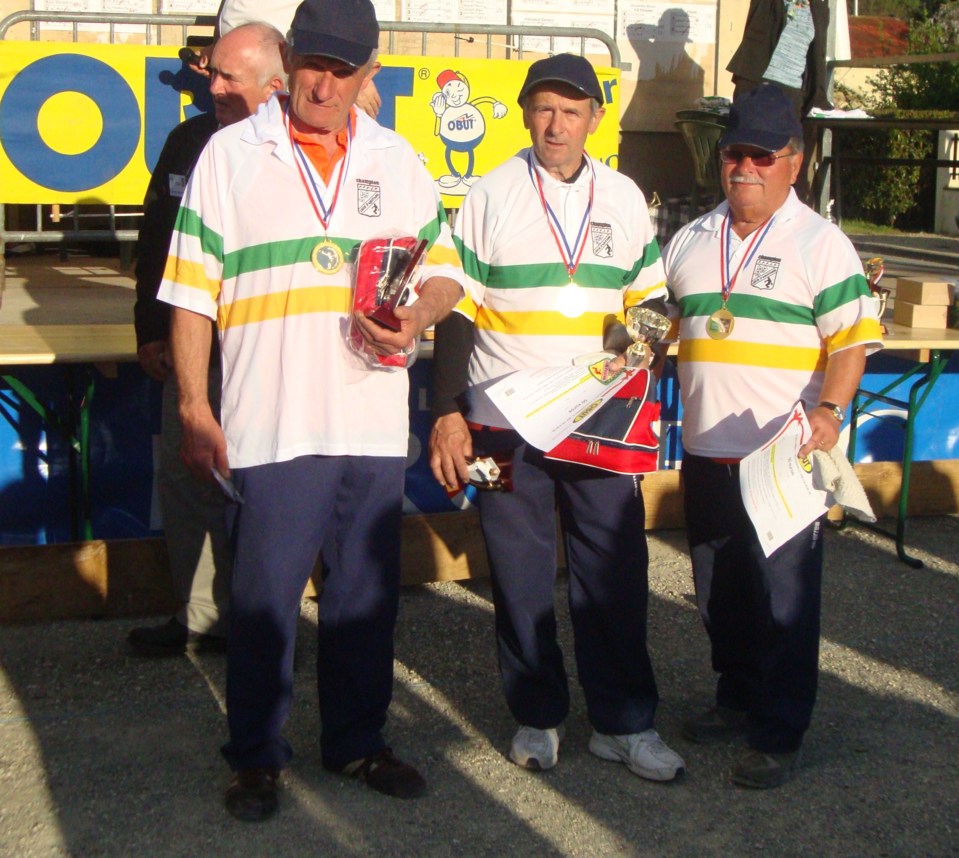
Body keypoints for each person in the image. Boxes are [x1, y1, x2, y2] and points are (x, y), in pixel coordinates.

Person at [158, 0, 463, 821]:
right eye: (313, 64)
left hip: (367, 421)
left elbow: (446, 270)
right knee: (262, 602)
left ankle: (358, 741)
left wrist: (421, 313)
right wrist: (194, 404)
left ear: (370, 70)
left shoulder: (399, 160)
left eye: (344, 68)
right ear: (289, 59)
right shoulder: (231, 155)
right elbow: (189, 297)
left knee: (365, 598)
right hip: (268, 422)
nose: (323, 85)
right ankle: (255, 756)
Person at [429, 54, 685, 783]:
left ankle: (623, 722)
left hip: (597, 421)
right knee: (514, 569)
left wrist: (630, 368)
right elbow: (457, 310)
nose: (556, 124)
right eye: (543, 108)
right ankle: (536, 715)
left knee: (613, 569)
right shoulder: (490, 192)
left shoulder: (626, 196)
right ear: (524, 113)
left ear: (594, 120)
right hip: (500, 423)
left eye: (571, 112)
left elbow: (649, 303)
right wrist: (447, 411)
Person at [662, 84, 882, 789]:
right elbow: (657, 326)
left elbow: (849, 341)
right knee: (716, 588)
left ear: (793, 161)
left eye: (761, 154)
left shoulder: (822, 244)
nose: (744, 167)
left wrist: (831, 413)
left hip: (783, 456)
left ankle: (779, 730)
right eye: (734, 153)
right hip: (704, 451)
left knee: (782, 597)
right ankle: (734, 697)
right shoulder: (692, 239)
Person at [128, 22, 287, 658]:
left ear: (274, 86)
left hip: (264, 351)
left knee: (265, 491)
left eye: (229, 78)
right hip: (191, 350)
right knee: (186, 480)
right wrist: (148, 329)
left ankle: (266, 624)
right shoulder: (187, 142)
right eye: (211, 75)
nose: (213, 87)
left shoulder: (292, 155)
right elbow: (154, 243)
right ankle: (200, 616)